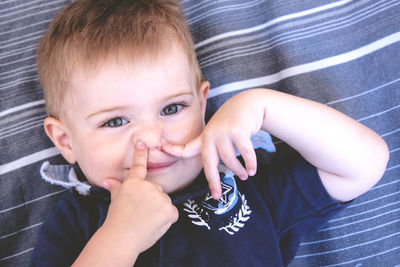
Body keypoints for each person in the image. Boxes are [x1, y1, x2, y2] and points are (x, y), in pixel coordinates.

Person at [29, 0, 389, 266]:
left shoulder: (240, 183)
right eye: (114, 122)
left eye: (172, 109)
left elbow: (364, 163)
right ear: (65, 141)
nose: (151, 138)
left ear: (202, 106)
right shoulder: (79, 222)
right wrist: (119, 238)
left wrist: (262, 106)